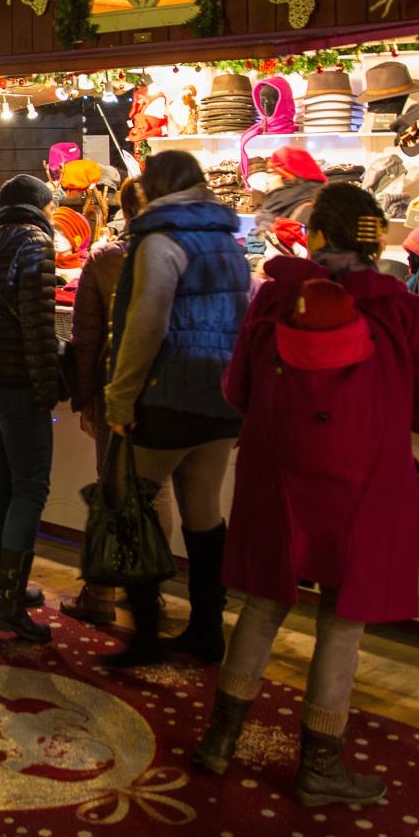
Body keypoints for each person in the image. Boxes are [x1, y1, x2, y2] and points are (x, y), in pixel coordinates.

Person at [196, 182, 419, 807]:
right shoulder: (401, 311)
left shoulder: (274, 301)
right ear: (372, 239)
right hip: (366, 483)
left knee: (262, 603)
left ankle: (220, 739)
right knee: (342, 621)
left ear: (314, 235)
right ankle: (320, 767)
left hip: (276, 475)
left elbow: (236, 390)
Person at [101, 149, 250, 668]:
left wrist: (120, 396)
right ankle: (207, 630)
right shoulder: (227, 240)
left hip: (169, 393)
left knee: (133, 508)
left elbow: (145, 326)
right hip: (222, 394)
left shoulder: (159, 240)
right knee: (204, 512)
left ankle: (143, 636)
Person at [0, 174, 70, 643]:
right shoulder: (34, 244)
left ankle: (1, 590)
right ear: (40, 206)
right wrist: (49, 386)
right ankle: (7, 601)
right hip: (15, 378)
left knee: (3, 482)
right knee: (29, 487)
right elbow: (38, 325)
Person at [61, 176, 143, 626]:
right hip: (166, 391)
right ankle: (142, 589)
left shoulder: (109, 258)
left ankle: (101, 593)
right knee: (152, 490)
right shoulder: (188, 253)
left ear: (123, 210)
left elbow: (85, 336)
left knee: (111, 489)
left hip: (116, 386)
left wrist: (85, 397)